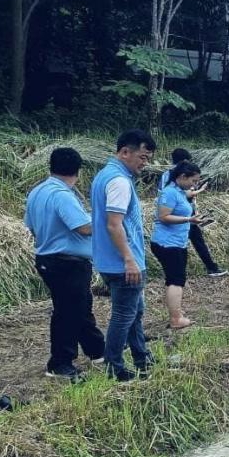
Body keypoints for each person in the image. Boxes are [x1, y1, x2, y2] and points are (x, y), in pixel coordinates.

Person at [25, 147, 105, 379]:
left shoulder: (37, 191)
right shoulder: (62, 195)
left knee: (79, 306)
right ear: (78, 170)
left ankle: (97, 349)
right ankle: (59, 363)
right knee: (67, 312)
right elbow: (83, 227)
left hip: (48, 259)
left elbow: (30, 226)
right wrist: (107, 220)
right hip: (66, 262)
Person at [92, 129, 157, 381]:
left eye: (148, 158)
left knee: (135, 311)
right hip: (122, 263)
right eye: (142, 157)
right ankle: (115, 367)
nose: (145, 163)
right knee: (123, 315)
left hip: (110, 260)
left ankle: (142, 356)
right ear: (125, 152)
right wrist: (129, 259)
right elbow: (114, 224)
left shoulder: (104, 176)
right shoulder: (118, 181)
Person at [151, 161, 203, 329]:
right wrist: (189, 219)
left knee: (176, 278)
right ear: (182, 177)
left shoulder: (178, 191)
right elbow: (163, 216)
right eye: (193, 181)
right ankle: (176, 319)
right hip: (168, 244)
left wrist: (196, 192)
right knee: (176, 280)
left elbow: (186, 195)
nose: (194, 185)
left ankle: (176, 313)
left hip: (176, 242)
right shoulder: (169, 193)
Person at [160, 148, 226, 278]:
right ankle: (210, 268)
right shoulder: (179, 176)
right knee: (194, 241)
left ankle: (177, 270)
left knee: (188, 241)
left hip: (177, 214)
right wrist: (199, 190)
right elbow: (183, 195)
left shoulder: (165, 175)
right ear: (184, 161)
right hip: (181, 215)